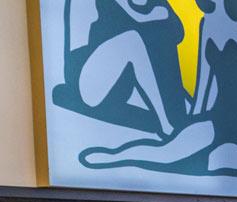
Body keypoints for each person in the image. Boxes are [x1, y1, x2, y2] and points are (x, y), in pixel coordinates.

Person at [80, 0, 237, 188]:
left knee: (221, 161)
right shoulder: (206, 24)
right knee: (168, 152)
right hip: (213, 119)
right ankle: (113, 156)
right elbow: (203, 87)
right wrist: (191, 124)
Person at [59, 0, 187, 138]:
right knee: (132, 39)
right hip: (86, 81)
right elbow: (139, 19)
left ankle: (178, 113)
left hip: (117, 84)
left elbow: (177, 32)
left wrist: (162, 13)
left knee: (160, 39)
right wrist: (158, 14)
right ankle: (165, 123)